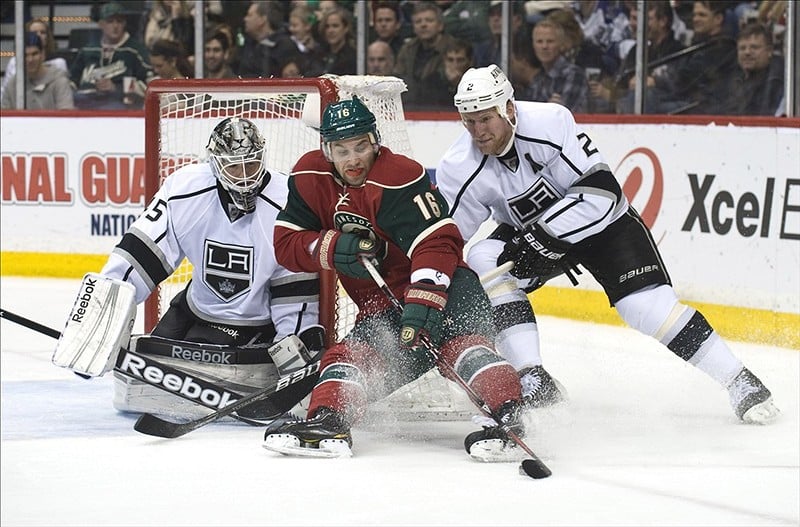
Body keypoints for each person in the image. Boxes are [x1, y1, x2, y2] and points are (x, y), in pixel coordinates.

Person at [435, 64, 779, 424]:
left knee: (645, 307)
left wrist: (543, 236)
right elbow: (448, 237)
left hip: (604, 225)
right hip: (534, 237)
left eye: (485, 119)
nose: (478, 131)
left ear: (508, 108)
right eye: (469, 121)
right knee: (483, 259)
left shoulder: (550, 122)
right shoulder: (458, 165)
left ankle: (740, 380)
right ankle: (534, 377)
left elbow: (602, 193)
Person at [263, 96, 527, 459]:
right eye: (342, 150)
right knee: (351, 356)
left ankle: (511, 416)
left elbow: (438, 242)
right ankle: (328, 422)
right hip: (383, 306)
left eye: (360, 146)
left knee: (462, 350)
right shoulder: (310, 177)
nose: (353, 159)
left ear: (375, 141)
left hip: (449, 291)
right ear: (327, 150)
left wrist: (422, 302)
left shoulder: (399, 176)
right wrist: (332, 246)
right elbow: (286, 244)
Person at [57, 117, 323, 420]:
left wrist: (293, 354)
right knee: (138, 379)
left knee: (168, 379)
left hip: (254, 324)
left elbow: (295, 289)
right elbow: (140, 255)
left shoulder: (287, 200)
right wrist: (99, 321)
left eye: (251, 164)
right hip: (192, 309)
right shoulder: (185, 188)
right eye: (234, 167)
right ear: (215, 163)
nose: (245, 177)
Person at [69, 2, 152, 110]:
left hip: (120, 105)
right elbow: (72, 80)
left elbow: (150, 84)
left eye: (119, 21)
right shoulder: (88, 50)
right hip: (85, 102)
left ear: (124, 24)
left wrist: (116, 88)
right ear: (101, 24)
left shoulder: (135, 51)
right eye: (110, 21)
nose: (115, 26)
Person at [393, 2, 459, 110]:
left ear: (440, 25)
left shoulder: (454, 49)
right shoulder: (407, 49)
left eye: (429, 20)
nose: (423, 25)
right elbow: (398, 78)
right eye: (418, 21)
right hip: (409, 107)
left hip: (445, 108)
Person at [522, 18, 587, 112]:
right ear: (533, 45)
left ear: (561, 44)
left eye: (550, 41)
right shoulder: (538, 79)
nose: (544, 46)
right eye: (539, 41)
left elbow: (566, 114)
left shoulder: (574, 74)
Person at [1, 32, 74, 110]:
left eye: (34, 54)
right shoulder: (12, 84)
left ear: (42, 54)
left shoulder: (59, 80)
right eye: (25, 55)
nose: (30, 59)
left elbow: (66, 113)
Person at [0, 17, 68, 102]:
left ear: (48, 37)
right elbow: (6, 89)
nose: (39, 35)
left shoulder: (59, 62)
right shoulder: (14, 61)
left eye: (42, 32)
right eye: (34, 32)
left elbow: (62, 92)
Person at [724, 23, 784, 115]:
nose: (747, 52)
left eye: (754, 47)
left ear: (769, 51)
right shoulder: (732, 76)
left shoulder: (777, 81)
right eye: (742, 48)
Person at [237, 1, 296, 78]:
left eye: (249, 15)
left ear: (262, 19)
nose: (245, 19)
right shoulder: (248, 45)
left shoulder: (284, 46)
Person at [313, 6, 357, 76]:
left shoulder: (353, 57)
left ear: (346, 28)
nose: (330, 31)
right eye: (327, 26)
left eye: (335, 26)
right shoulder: (318, 54)